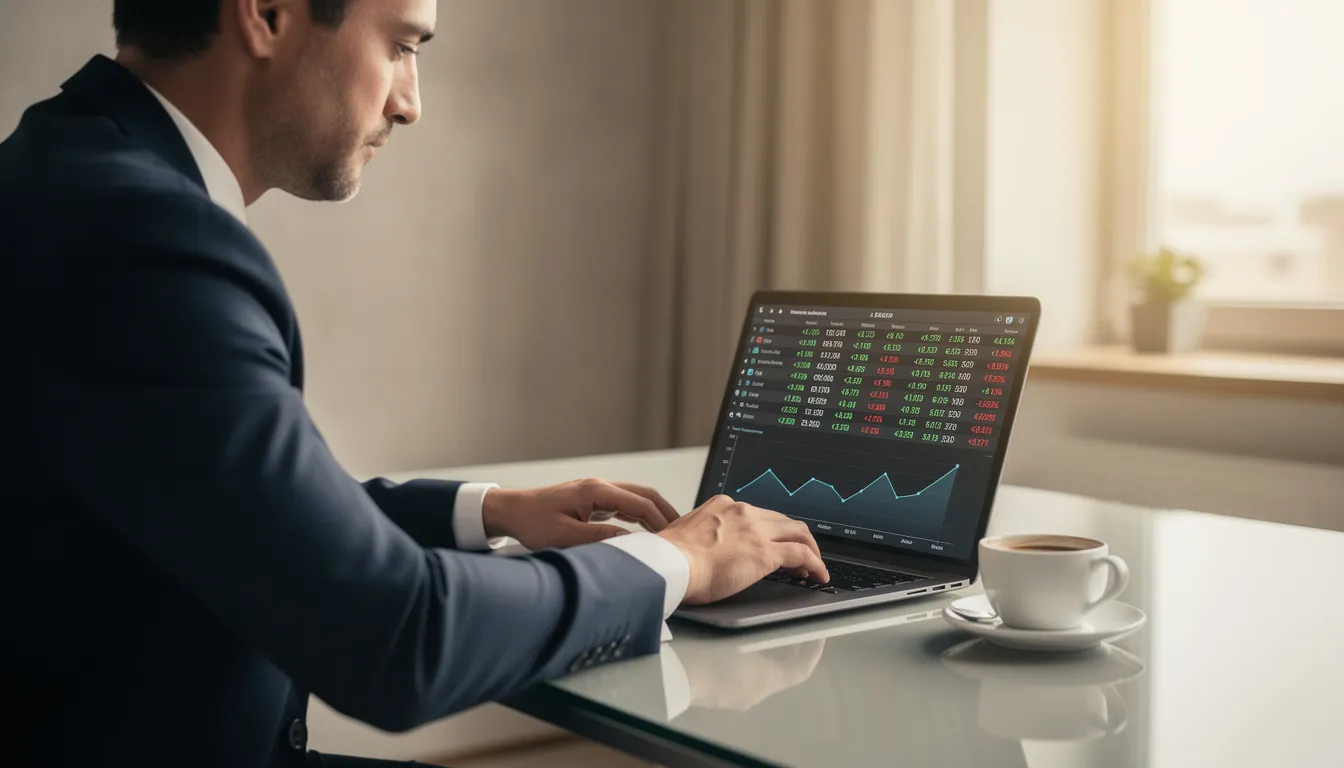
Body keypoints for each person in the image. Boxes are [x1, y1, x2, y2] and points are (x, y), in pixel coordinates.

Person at [0, 0, 831, 766]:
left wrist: (487, 511)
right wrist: (672, 564)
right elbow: (395, 639)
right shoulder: (141, 241)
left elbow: (236, 508)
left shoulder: (70, 166)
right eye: (399, 46)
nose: (410, 102)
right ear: (266, 13)